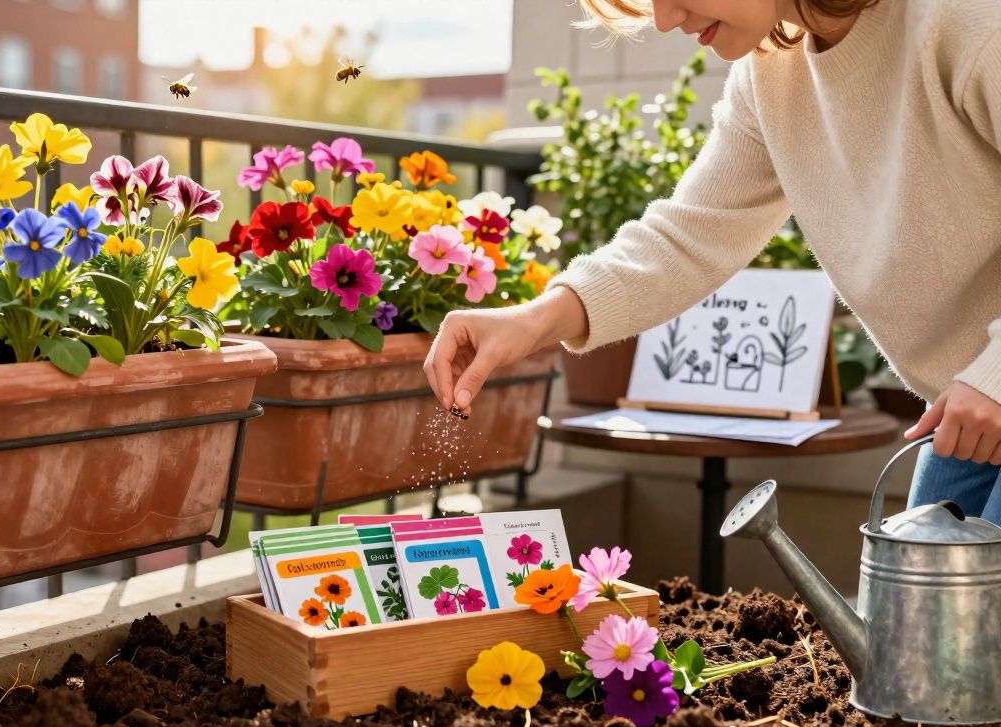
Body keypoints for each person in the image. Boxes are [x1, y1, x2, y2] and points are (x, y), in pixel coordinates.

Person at [424, 0, 1001, 522]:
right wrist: (532, 321)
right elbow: (688, 237)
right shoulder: (771, 77)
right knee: (919, 630)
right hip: (972, 415)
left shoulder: (964, 20)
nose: (667, 19)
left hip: (986, 395)